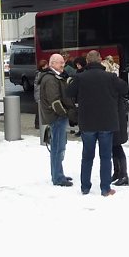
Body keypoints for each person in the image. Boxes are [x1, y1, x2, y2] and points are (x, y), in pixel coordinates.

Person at [66, 50, 123, 197]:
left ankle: (85, 187)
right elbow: (124, 88)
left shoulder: (80, 77)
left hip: (88, 123)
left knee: (87, 156)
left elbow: (69, 92)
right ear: (100, 60)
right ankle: (105, 188)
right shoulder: (110, 77)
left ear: (87, 60)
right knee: (105, 157)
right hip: (106, 122)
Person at [39, 53, 76, 187]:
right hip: (57, 117)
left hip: (57, 116)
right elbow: (54, 100)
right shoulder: (50, 79)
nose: (63, 65)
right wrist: (65, 113)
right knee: (57, 147)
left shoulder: (55, 77)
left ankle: (58, 174)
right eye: (60, 63)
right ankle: (58, 177)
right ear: (52, 63)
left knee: (59, 146)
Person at [111, 79, 129, 186]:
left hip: (117, 123)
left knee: (117, 148)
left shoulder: (113, 90)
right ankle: (118, 172)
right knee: (114, 148)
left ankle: (123, 174)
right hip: (118, 122)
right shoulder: (116, 88)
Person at [33, 58, 49, 130]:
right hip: (40, 95)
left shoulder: (38, 73)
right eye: (46, 65)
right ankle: (38, 124)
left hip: (38, 94)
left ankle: (37, 124)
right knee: (39, 110)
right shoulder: (40, 74)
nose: (47, 66)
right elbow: (39, 86)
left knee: (39, 110)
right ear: (43, 67)